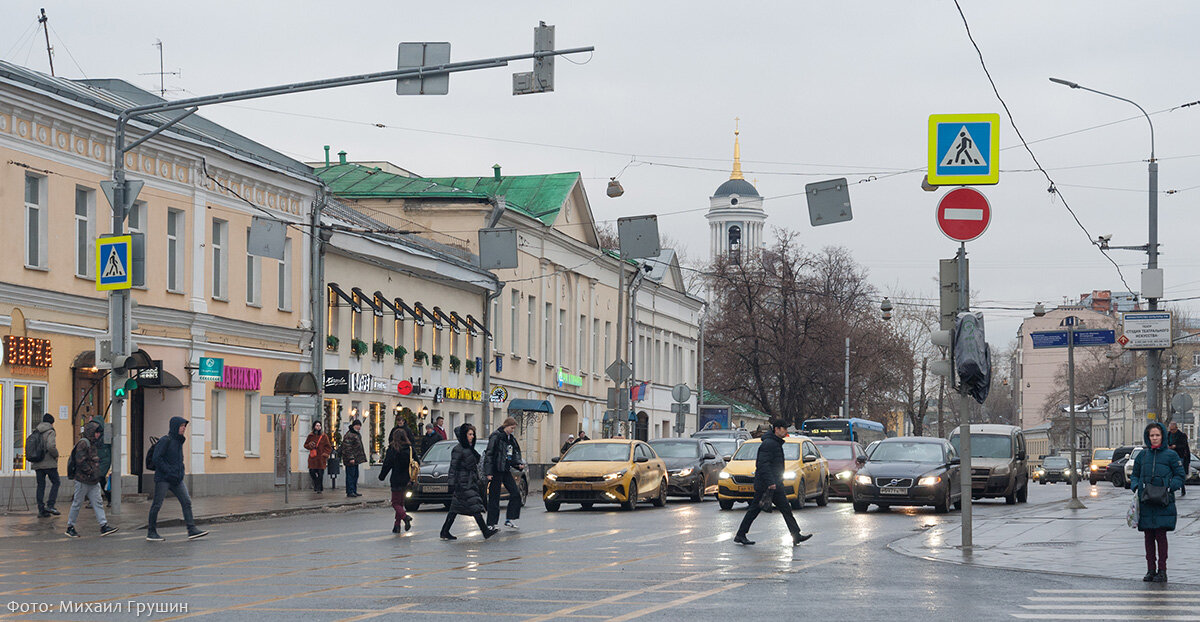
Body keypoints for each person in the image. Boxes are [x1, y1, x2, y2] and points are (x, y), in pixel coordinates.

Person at [734, 419, 812, 547]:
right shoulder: (769, 444)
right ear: (777, 429)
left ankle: (796, 535)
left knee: (785, 509)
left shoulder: (775, 443)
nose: (786, 431)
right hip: (768, 485)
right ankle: (740, 534)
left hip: (774, 483)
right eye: (784, 429)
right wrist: (770, 482)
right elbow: (762, 464)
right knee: (755, 509)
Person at [1132, 421, 1186, 582]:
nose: (1155, 438)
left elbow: (1180, 475)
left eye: (1157, 435)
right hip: (1146, 501)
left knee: (1161, 537)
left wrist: (1170, 488)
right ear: (1148, 437)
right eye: (1152, 435)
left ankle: (1162, 570)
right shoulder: (1142, 455)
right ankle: (1150, 570)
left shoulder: (1171, 455)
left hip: (1164, 502)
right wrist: (1136, 487)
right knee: (1148, 537)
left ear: (1162, 436)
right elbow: (1135, 475)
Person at [146, 417, 208, 542]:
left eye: (185, 426)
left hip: (176, 479)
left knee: (186, 502)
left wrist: (180, 472)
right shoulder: (165, 440)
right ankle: (151, 532)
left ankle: (191, 529)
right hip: (163, 478)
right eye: (181, 426)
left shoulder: (179, 441)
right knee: (157, 505)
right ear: (175, 427)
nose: (184, 428)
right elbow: (157, 458)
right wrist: (169, 470)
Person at [440, 423, 497, 541]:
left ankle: (445, 531)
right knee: (474, 506)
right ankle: (485, 531)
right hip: (463, 483)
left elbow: (475, 462)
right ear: (464, 435)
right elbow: (453, 467)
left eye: (473, 434)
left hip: (470, 481)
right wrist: (451, 483)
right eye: (469, 434)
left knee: (454, 508)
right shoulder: (458, 449)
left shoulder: (468, 449)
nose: (472, 436)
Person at [64, 420, 118, 538]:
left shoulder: (92, 443)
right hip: (83, 479)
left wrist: (94, 474)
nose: (98, 435)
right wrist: (91, 471)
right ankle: (70, 526)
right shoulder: (84, 443)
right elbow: (80, 461)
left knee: (97, 502)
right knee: (77, 503)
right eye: (96, 432)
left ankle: (104, 525)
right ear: (91, 432)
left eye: (99, 433)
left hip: (92, 479)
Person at [484, 417, 525, 529]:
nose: (513, 430)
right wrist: (488, 472)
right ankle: (491, 523)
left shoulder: (510, 438)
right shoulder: (496, 436)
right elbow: (489, 454)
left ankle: (509, 519)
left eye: (514, 428)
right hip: (496, 470)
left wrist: (518, 464)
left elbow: (514, 453)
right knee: (494, 497)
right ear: (506, 426)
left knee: (515, 493)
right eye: (512, 428)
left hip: (506, 470)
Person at [378, 432, 414, 533]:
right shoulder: (409, 448)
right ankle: (397, 525)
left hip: (396, 478)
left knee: (395, 503)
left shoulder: (393, 449)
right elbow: (417, 462)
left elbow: (387, 464)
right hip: (407, 479)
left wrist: (382, 476)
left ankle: (405, 517)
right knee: (401, 503)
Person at [31, 413, 61, 517]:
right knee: (56, 482)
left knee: (40, 485)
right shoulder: (50, 431)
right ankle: (50, 505)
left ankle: (41, 510)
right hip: (49, 463)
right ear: (51, 423)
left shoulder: (36, 431)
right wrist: (56, 455)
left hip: (37, 463)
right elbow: (51, 446)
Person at [304, 421, 333, 493]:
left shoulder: (324, 436)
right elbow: (305, 445)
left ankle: (319, 488)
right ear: (314, 426)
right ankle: (317, 485)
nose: (318, 427)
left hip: (321, 458)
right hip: (313, 457)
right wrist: (310, 445)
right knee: (312, 472)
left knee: (320, 474)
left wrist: (325, 454)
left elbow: (328, 447)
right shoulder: (310, 436)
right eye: (317, 425)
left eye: (319, 426)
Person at [342, 420, 367, 498]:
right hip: (351, 460)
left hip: (356, 459)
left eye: (360, 425)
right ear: (354, 426)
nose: (359, 427)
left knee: (355, 475)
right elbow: (347, 447)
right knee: (350, 475)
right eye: (357, 425)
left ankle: (354, 490)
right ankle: (350, 491)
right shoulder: (350, 435)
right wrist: (351, 458)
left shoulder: (356, 434)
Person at [91, 415, 112, 507]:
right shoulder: (94, 437)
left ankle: (94, 501)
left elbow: (110, 448)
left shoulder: (106, 435)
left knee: (98, 478)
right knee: (101, 480)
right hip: (97, 460)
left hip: (104, 461)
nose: (97, 434)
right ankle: (109, 498)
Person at [1168, 422, 1191, 497]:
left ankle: (1182, 487)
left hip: (1179, 456)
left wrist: (1176, 446)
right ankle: (1172, 486)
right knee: (1170, 472)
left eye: (1173, 430)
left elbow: (1184, 445)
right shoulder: (1168, 435)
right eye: (1170, 429)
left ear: (1176, 428)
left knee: (1179, 472)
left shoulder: (1182, 435)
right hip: (1169, 456)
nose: (1171, 431)